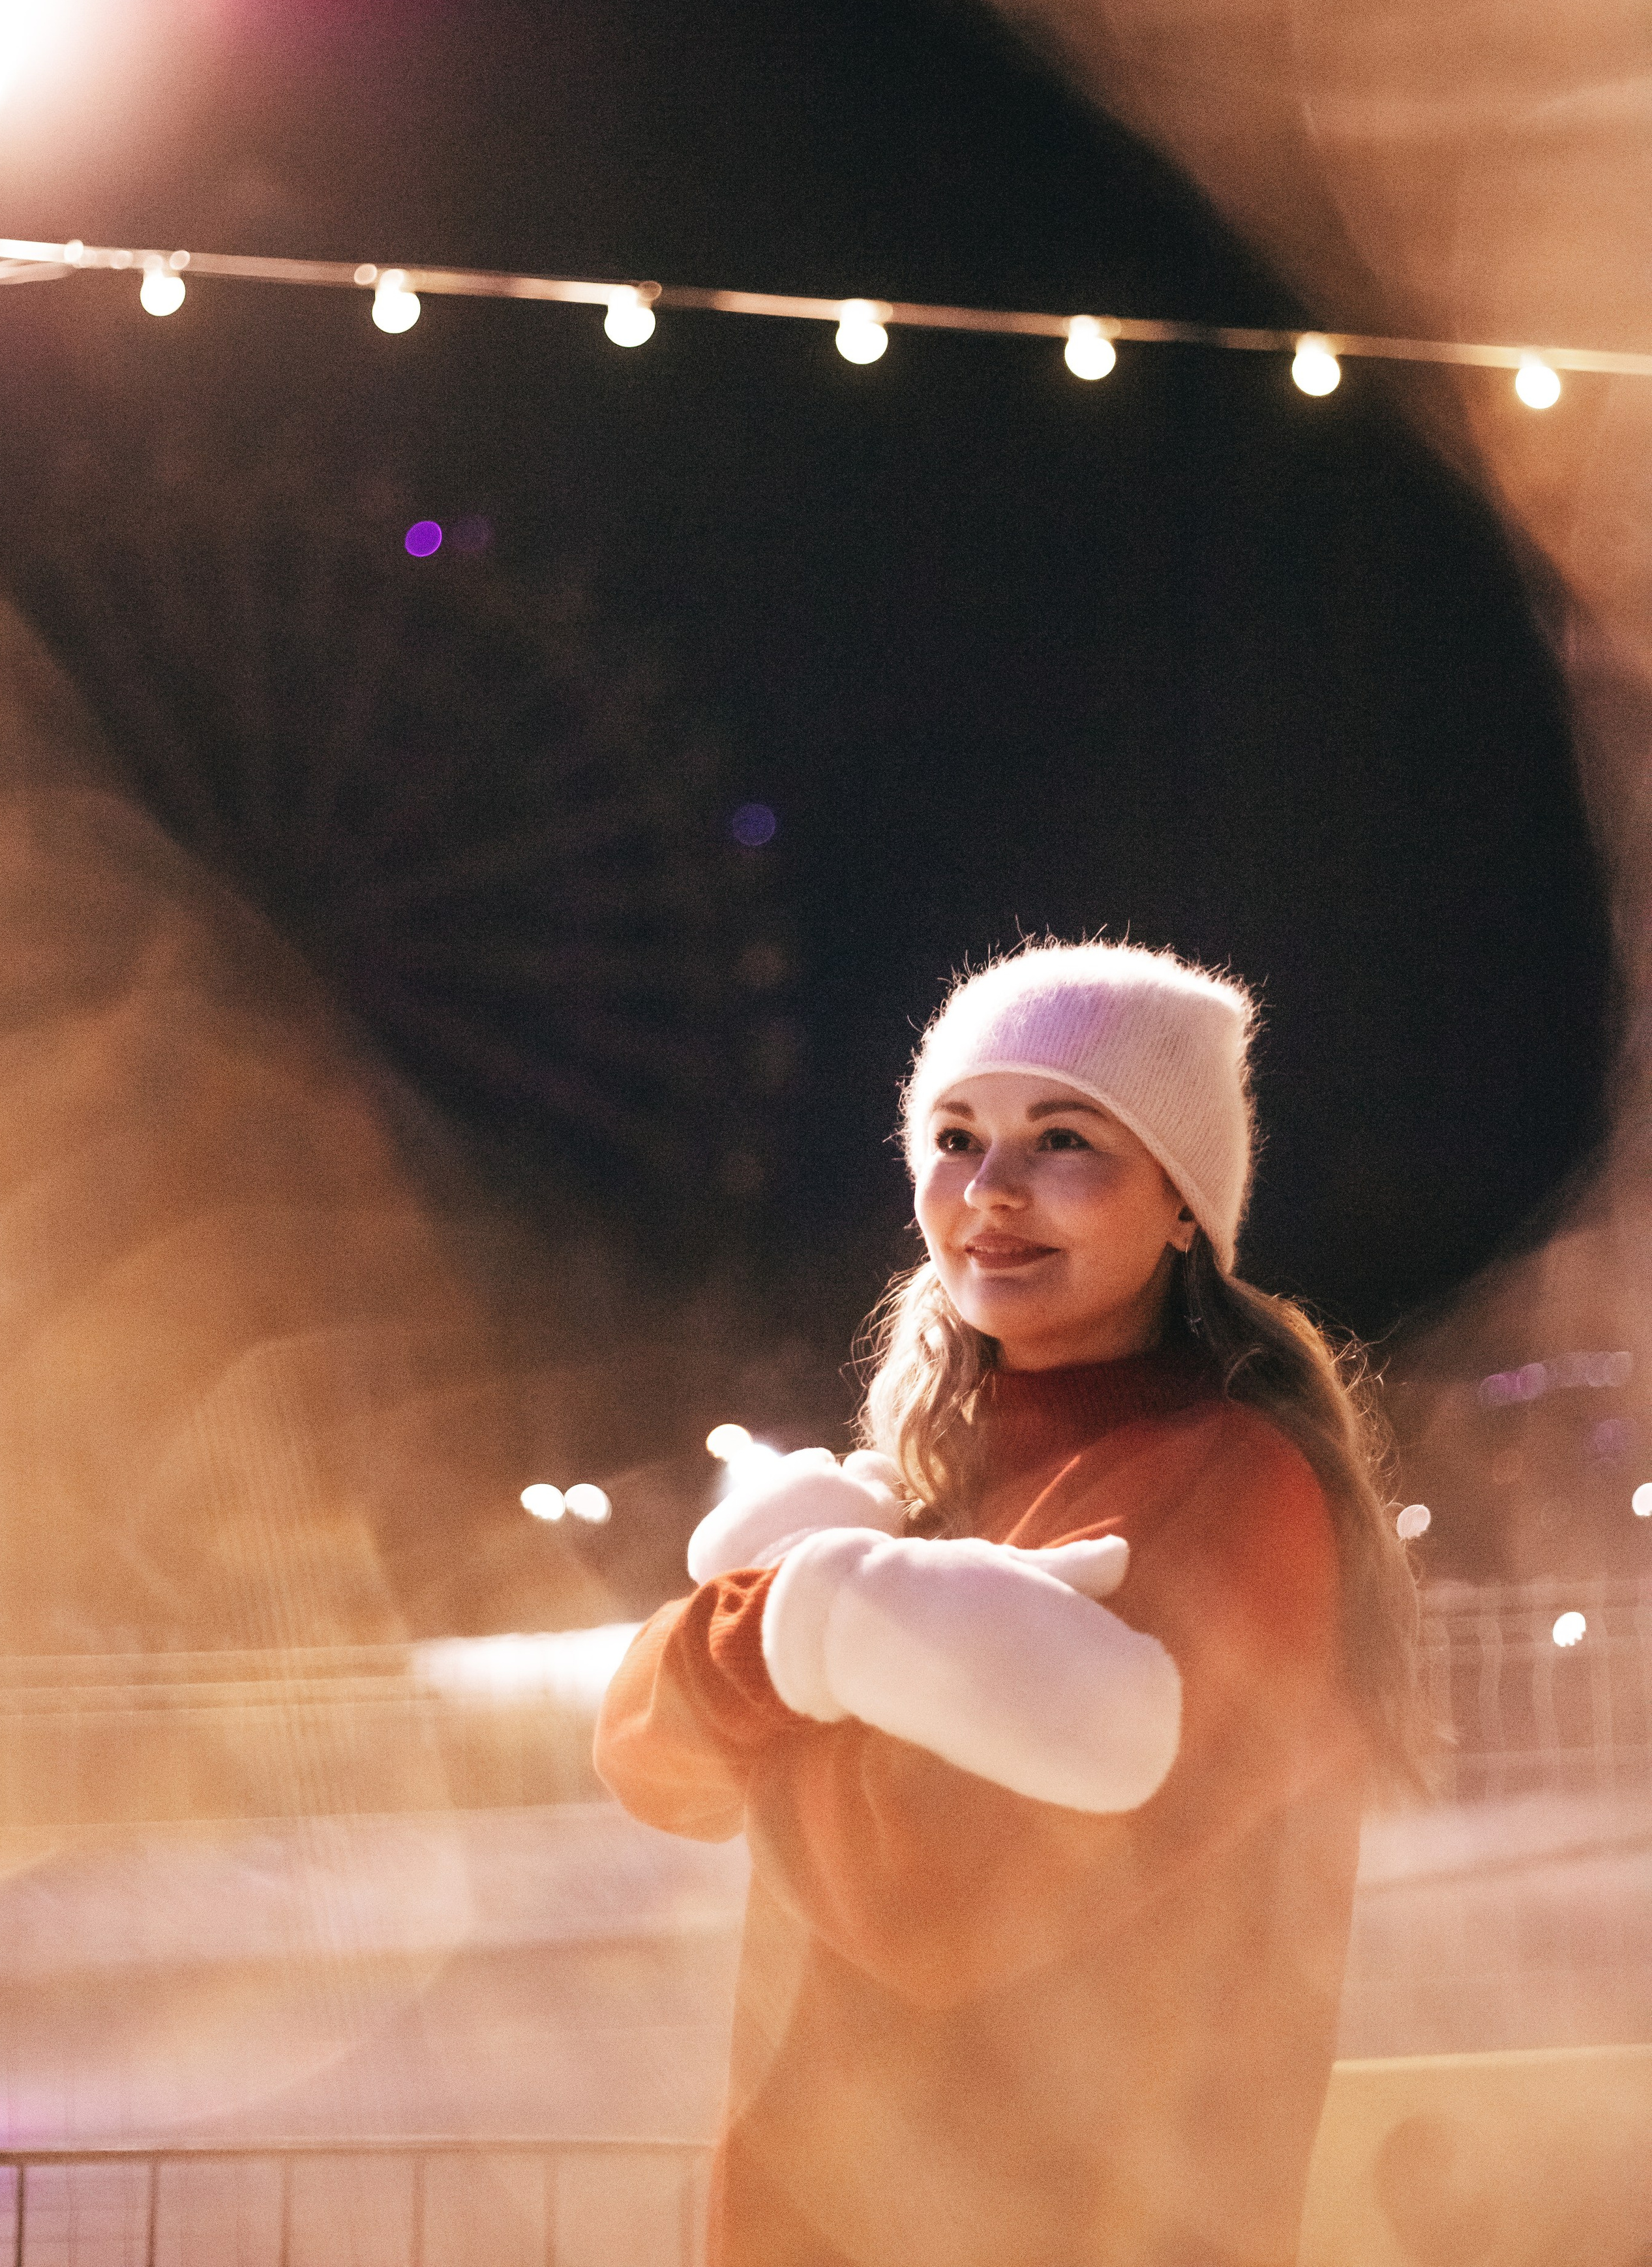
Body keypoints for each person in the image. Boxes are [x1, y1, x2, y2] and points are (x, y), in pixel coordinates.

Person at [595, 940, 1424, 2267]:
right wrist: (796, 1633)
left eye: (1063, 1139)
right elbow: (647, 1764)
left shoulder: (1239, 1489)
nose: (990, 1189)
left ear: (1182, 1204)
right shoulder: (916, 1492)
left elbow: (935, 1905)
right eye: (955, 1137)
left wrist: (783, 1672)